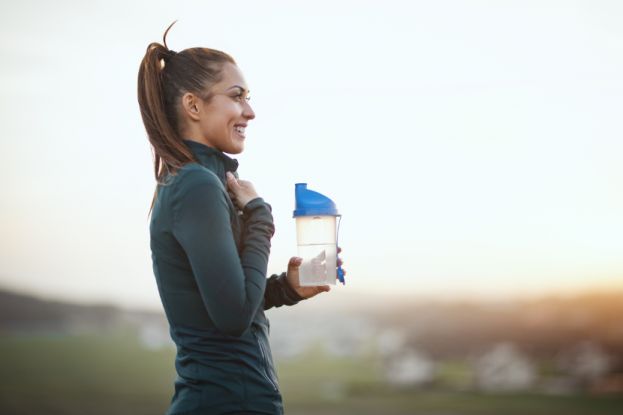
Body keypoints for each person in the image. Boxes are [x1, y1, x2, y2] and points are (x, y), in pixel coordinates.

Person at [137, 23, 345, 415]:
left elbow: (224, 303)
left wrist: (287, 289)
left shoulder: (198, 182)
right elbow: (232, 318)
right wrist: (260, 216)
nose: (250, 111)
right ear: (194, 106)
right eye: (237, 97)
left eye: (248, 97)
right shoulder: (196, 184)